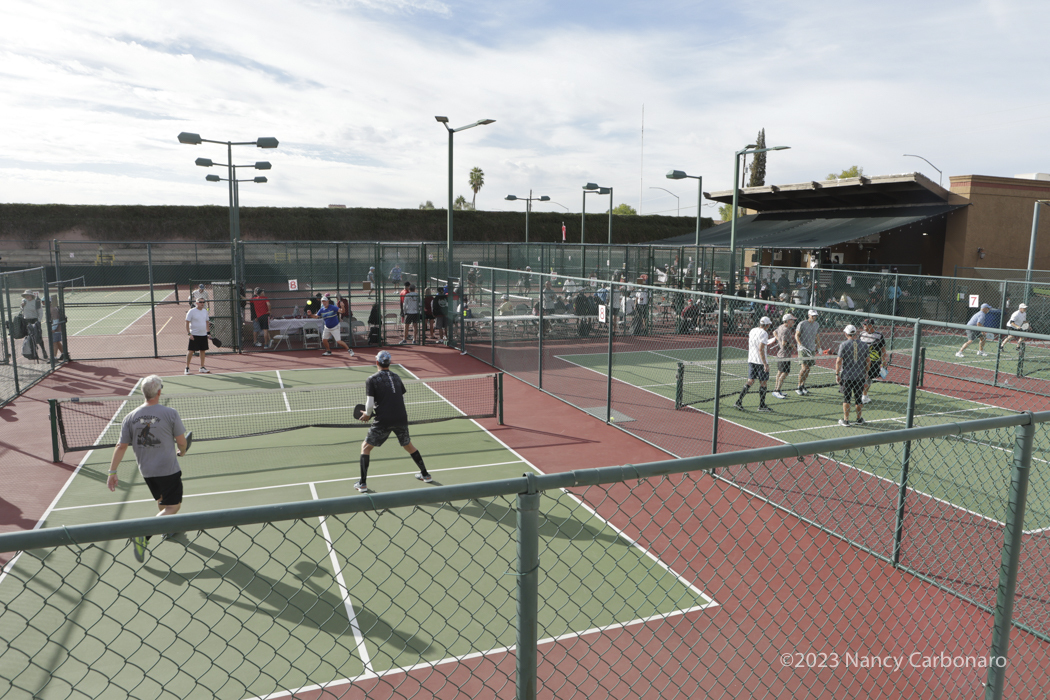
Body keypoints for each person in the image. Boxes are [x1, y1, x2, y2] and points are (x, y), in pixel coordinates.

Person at [107, 374, 190, 561]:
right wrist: (183, 451)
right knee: (174, 506)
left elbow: (121, 446)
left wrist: (112, 471)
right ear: (159, 392)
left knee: (162, 500)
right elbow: (181, 441)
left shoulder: (130, 417)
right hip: (168, 470)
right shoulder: (170, 413)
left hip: (146, 471)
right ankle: (144, 535)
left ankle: (166, 527)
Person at [354, 351, 432, 493]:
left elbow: (369, 403)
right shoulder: (396, 377)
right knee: (408, 445)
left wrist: (367, 414)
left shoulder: (371, 379)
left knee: (365, 448)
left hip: (383, 419)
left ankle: (362, 483)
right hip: (401, 417)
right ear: (389, 363)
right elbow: (399, 398)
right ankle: (425, 475)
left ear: (376, 362)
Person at [735, 316, 774, 412]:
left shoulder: (752, 330)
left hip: (751, 359)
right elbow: (761, 348)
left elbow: (759, 343)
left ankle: (738, 401)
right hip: (760, 362)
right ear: (767, 325)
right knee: (763, 383)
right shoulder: (764, 333)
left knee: (750, 381)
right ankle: (762, 405)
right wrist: (765, 364)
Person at [835, 324, 870, 426]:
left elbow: (839, 361)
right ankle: (859, 419)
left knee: (847, 398)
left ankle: (846, 420)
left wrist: (837, 373)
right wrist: (866, 372)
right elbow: (868, 361)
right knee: (858, 398)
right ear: (855, 333)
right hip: (860, 376)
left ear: (846, 334)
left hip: (847, 376)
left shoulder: (843, 345)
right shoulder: (864, 345)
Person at [794, 309, 822, 395]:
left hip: (811, 349)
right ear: (809, 315)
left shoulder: (817, 324)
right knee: (804, 368)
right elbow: (796, 335)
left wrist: (819, 347)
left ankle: (803, 385)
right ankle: (799, 386)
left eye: (815, 315)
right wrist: (800, 345)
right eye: (813, 315)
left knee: (808, 369)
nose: (814, 317)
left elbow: (817, 336)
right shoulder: (802, 323)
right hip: (802, 349)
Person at [859, 319, 887, 404]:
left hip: (874, 361)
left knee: (869, 378)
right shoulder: (861, 334)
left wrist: (884, 361)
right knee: (863, 378)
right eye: (863, 324)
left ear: (871, 325)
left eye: (865, 324)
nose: (863, 326)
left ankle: (864, 394)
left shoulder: (879, 336)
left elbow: (883, 350)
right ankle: (864, 395)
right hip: (862, 360)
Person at [771, 313, 797, 399]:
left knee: (779, 372)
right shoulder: (786, 330)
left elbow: (774, 332)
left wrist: (778, 339)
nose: (793, 322)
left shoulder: (780, 327)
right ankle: (777, 390)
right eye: (792, 320)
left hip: (780, 354)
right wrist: (792, 346)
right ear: (788, 321)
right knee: (785, 373)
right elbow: (784, 343)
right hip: (785, 355)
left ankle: (776, 389)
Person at [185, 296, 211, 374]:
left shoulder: (205, 311)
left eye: (203, 302)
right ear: (196, 303)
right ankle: (187, 368)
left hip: (203, 335)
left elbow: (207, 322)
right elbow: (187, 322)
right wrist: (189, 333)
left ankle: (202, 367)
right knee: (191, 351)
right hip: (194, 335)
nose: (202, 303)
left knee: (202, 351)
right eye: (200, 302)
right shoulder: (191, 311)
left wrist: (208, 333)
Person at [19, 290, 48, 360]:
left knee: (38, 337)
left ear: (31, 295)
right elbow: (22, 309)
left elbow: (40, 312)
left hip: (35, 320)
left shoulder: (36, 302)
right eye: (26, 295)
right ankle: (34, 354)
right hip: (26, 321)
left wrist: (38, 321)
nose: (27, 296)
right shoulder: (24, 301)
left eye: (28, 295)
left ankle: (43, 351)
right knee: (29, 338)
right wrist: (22, 305)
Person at [49, 294, 65, 360]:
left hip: (56, 329)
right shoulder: (52, 308)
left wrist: (53, 328)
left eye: (43, 301)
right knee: (57, 342)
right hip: (57, 328)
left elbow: (56, 320)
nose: (42, 303)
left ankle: (54, 357)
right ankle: (64, 354)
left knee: (54, 342)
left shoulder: (52, 309)